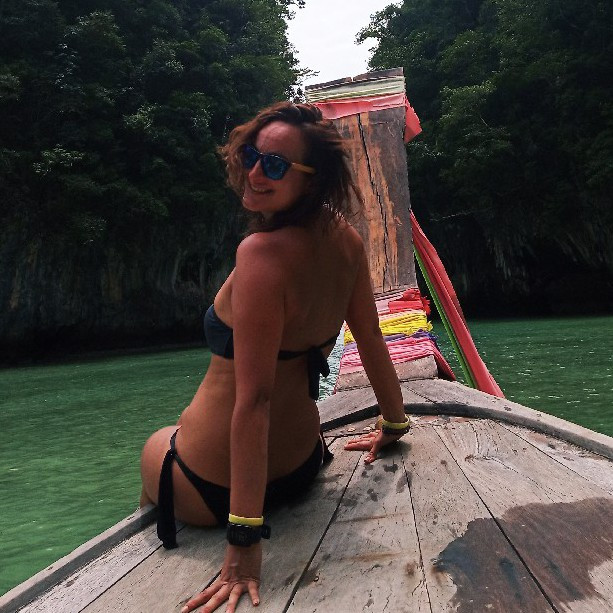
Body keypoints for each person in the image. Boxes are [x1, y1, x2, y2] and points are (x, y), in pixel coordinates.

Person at [140, 102, 410, 613]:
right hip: (302, 467)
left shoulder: (261, 255)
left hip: (216, 490)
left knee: (158, 441)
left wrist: (244, 543)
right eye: (251, 156)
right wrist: (394, 425)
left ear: (311, 180)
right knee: (180, 430)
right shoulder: (347, 242)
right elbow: (371, 338)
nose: (255, 173)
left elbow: (256, 400)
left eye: (276, 165)